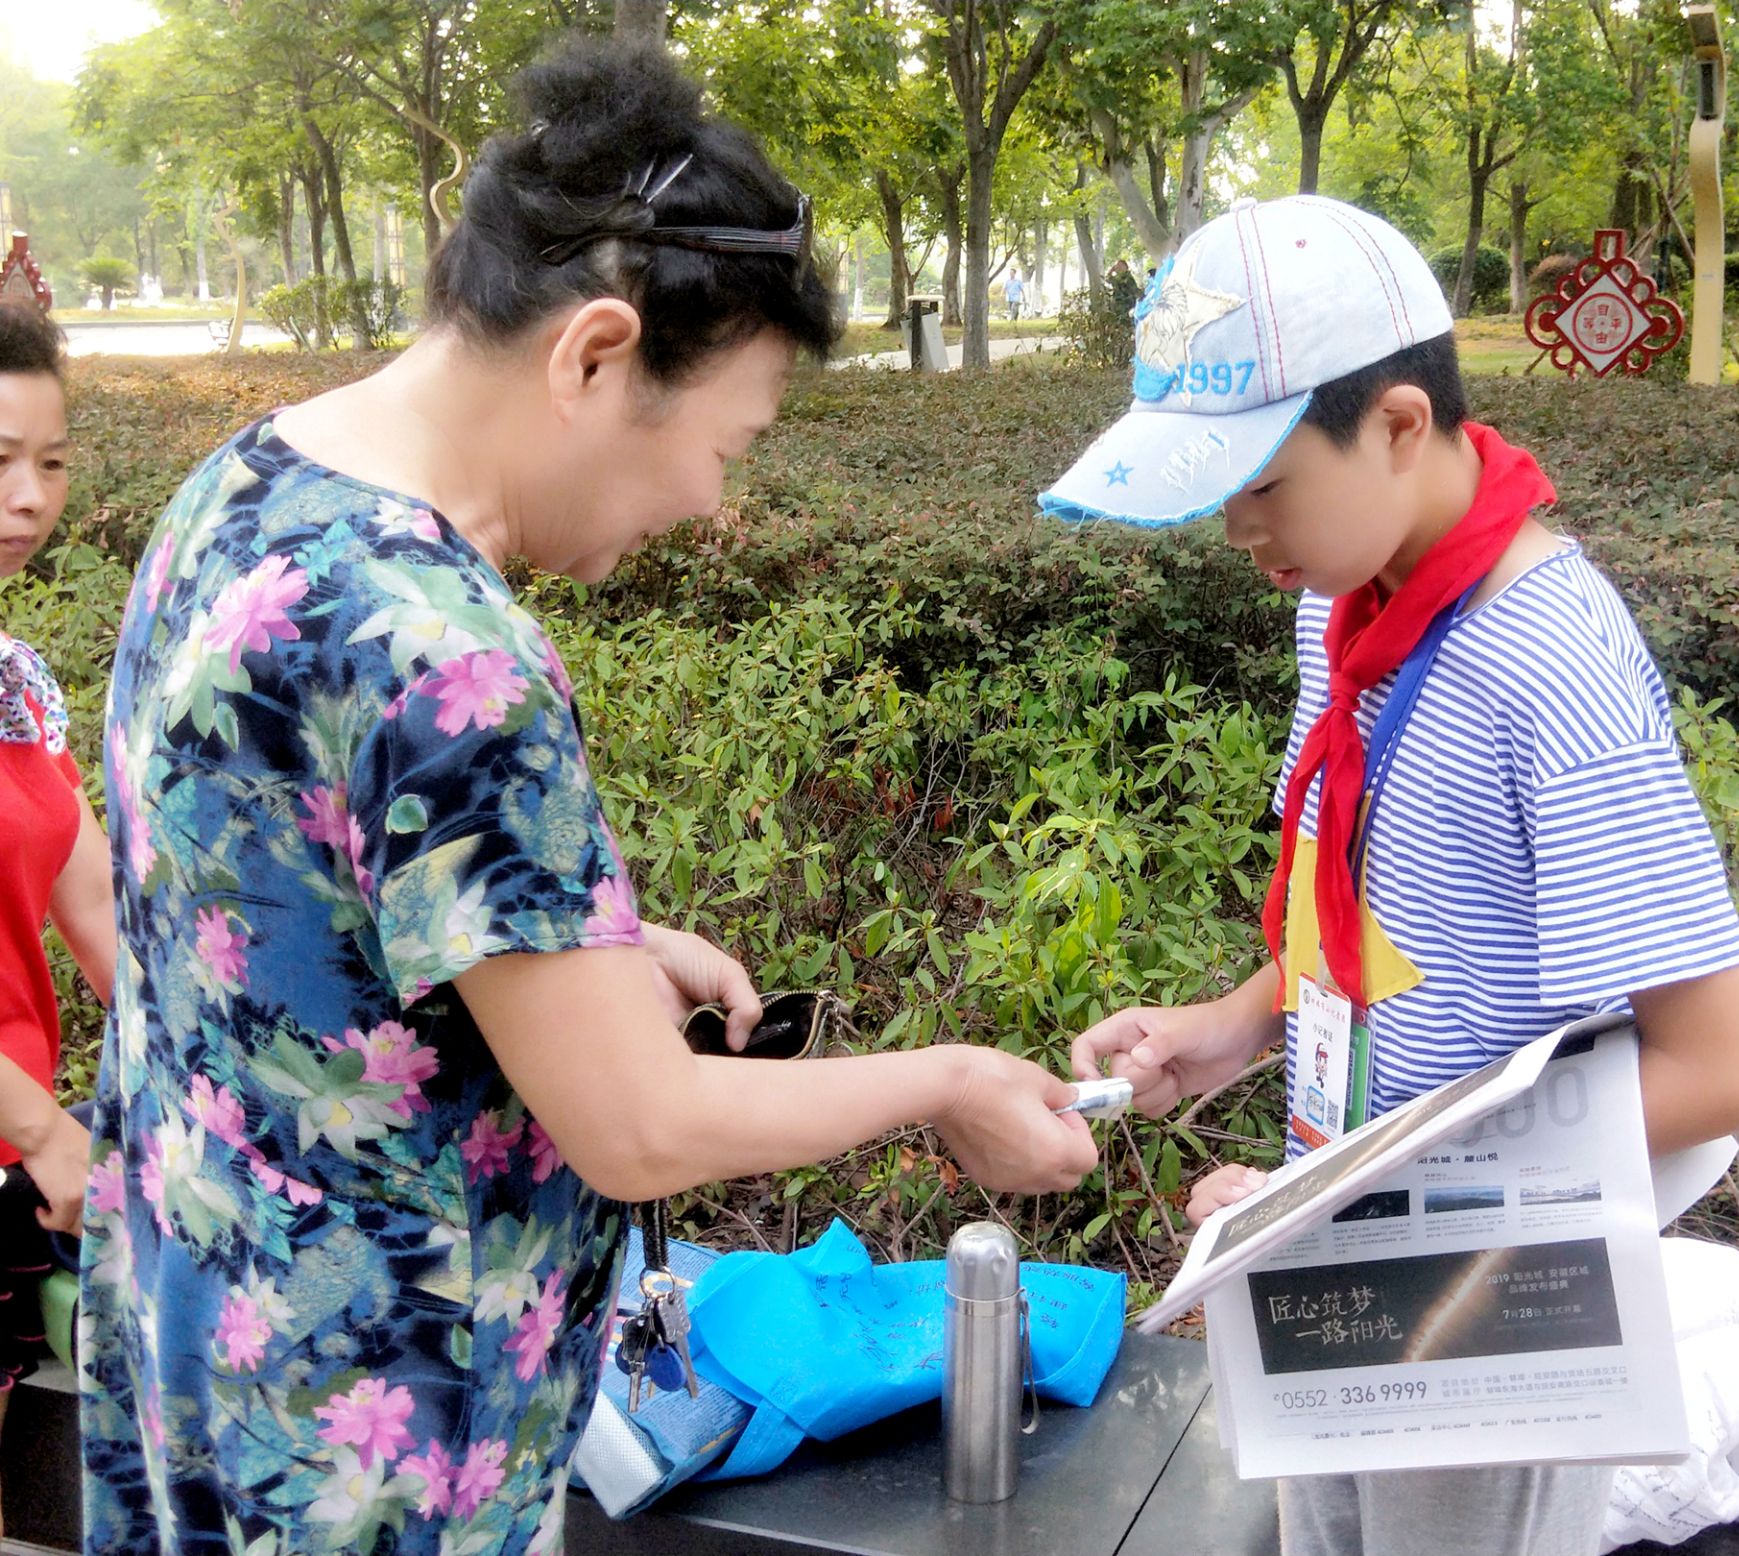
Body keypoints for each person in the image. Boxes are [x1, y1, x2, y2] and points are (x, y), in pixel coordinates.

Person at [80, 37, 1096, 1556]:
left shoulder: (238, 491)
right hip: (381, 1446)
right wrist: (948, 1081)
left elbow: (283, 906)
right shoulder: (443, 648)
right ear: (597, 355)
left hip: (207, 1339)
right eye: (725, 442)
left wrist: (590, 953)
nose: (712, 500)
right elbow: (641, 1124)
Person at [1041, 195, 1739, 1556]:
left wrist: (1361, 1194)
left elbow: (1725, 1068)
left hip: (1487, 1301)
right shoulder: (1348, 606)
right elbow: (1388, 911)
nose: (1238, 531)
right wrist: (1238, 1025)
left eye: (1263, 484)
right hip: (1347, 1240)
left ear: (1394, 424)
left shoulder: (1548, 660)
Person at [0, 303, 114, 1536]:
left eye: (52, 460)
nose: (28, 496)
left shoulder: (16, 684)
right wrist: (43, 1126)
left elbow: (105, 919)